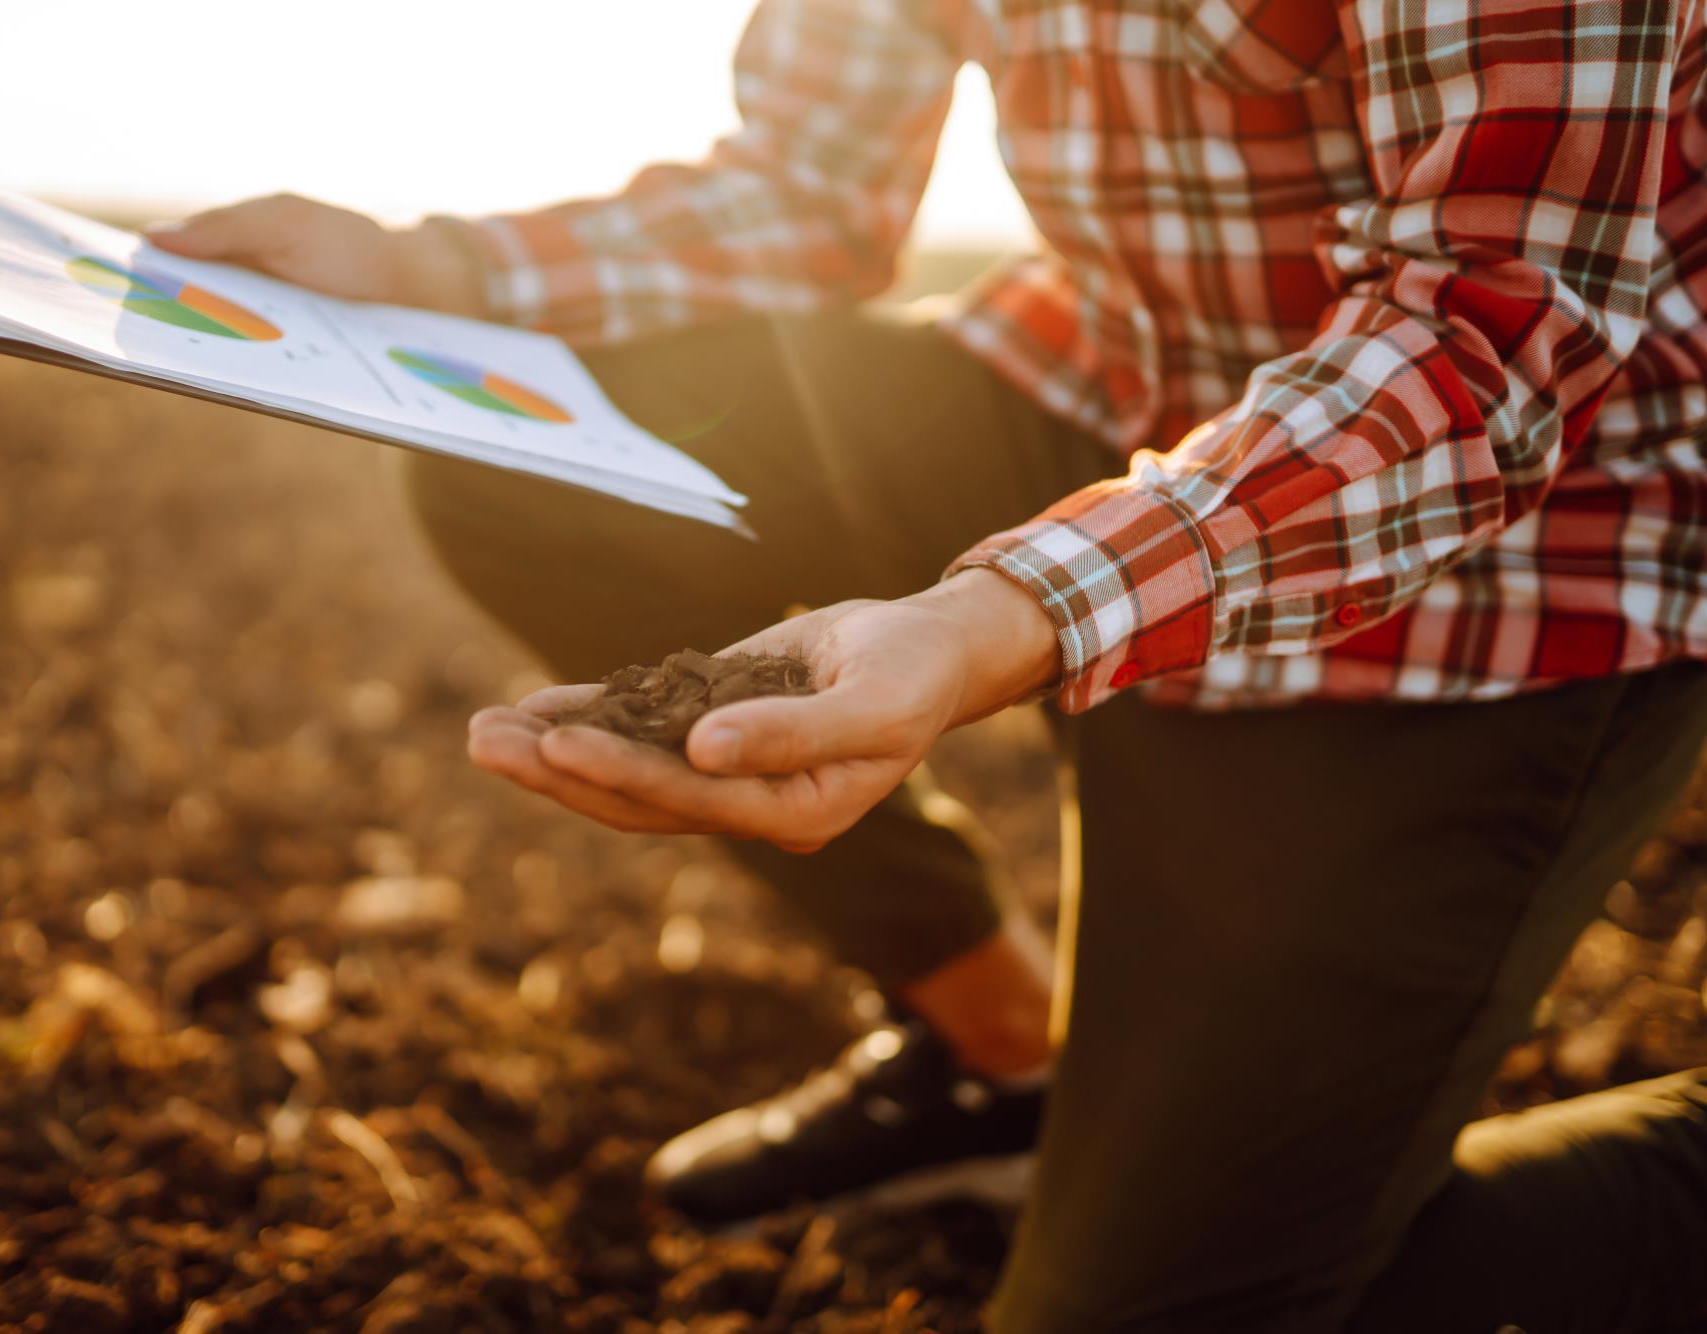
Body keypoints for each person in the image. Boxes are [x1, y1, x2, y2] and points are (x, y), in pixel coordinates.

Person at [150, 1, 1707, 1328]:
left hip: (1507, 554)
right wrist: (427, 266)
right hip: (1109, 384)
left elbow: (1486, 330)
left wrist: (998, 613)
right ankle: (1002, 1049)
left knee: (1186, 1301)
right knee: (537, 460)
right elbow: (814, 189)